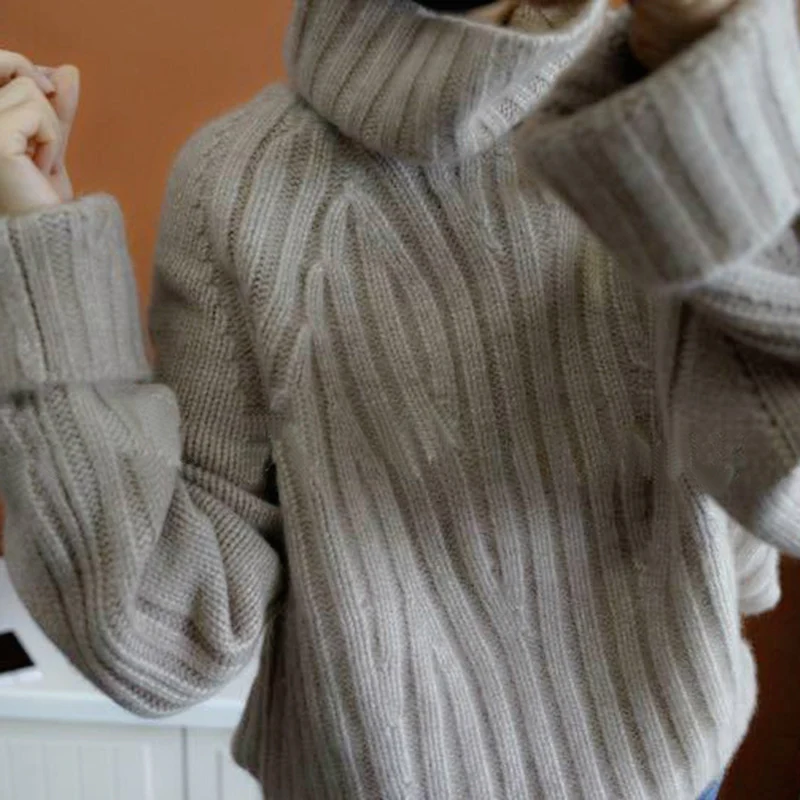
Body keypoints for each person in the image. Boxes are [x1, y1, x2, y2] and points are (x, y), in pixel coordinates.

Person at [0, 0, 797, 796]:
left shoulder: (668, 90)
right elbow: (168, 635)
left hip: (672, 772)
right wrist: (43, 257)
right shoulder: (236, 186)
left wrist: (718, 80)